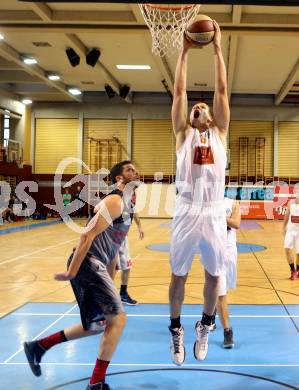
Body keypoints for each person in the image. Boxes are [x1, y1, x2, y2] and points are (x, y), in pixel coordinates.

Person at [23, 161, 139, 390]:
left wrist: (110, 282)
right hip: (87, 263)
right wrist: (72, 271)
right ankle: (96, 383)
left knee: (97, 324)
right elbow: (86, 236)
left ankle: (38, 347)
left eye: (135, 169)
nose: (134, 172)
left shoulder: (128, 205)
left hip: (97, 266)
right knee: (119, 319)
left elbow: (113, 248)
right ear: (118, 179)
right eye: (128, 170)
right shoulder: (115, 201)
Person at [168, 20, 230, 365]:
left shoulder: (219, 133)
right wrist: (185, 51)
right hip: (186, 209)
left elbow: (222, 91)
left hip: (213, 211)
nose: (199, 107)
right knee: (178, 275)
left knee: (214, 275)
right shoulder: (182, 134)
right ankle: (176, 331)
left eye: (204, 108)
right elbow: (179, 93)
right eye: (196, 107)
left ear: (211, 118)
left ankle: (205, 326)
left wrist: (218, 47)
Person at [210, 197, 241, 349]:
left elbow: (236, 223)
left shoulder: (232, 203)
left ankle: (212, 315)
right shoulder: (206, 203)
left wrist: (219, 218)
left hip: (229, 251)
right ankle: (228, 330)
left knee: (223, 289)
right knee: (220, 291)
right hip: (214, 251)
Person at [117, 209, 144, 305]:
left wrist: (140, 226)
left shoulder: (130, 197)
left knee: (127, 266)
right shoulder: (115, 197)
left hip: (123, 236)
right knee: (111, 269)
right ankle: (104, 296)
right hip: (111, 237)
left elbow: (134, 210)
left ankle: (123, 294)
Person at [283, 188, 299, 280]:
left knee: (298, 253)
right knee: (287, 249)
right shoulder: (290, 203)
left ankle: (298, 271)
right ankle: (292, 270)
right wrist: (283, 227)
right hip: (290, 230)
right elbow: (286, 215)